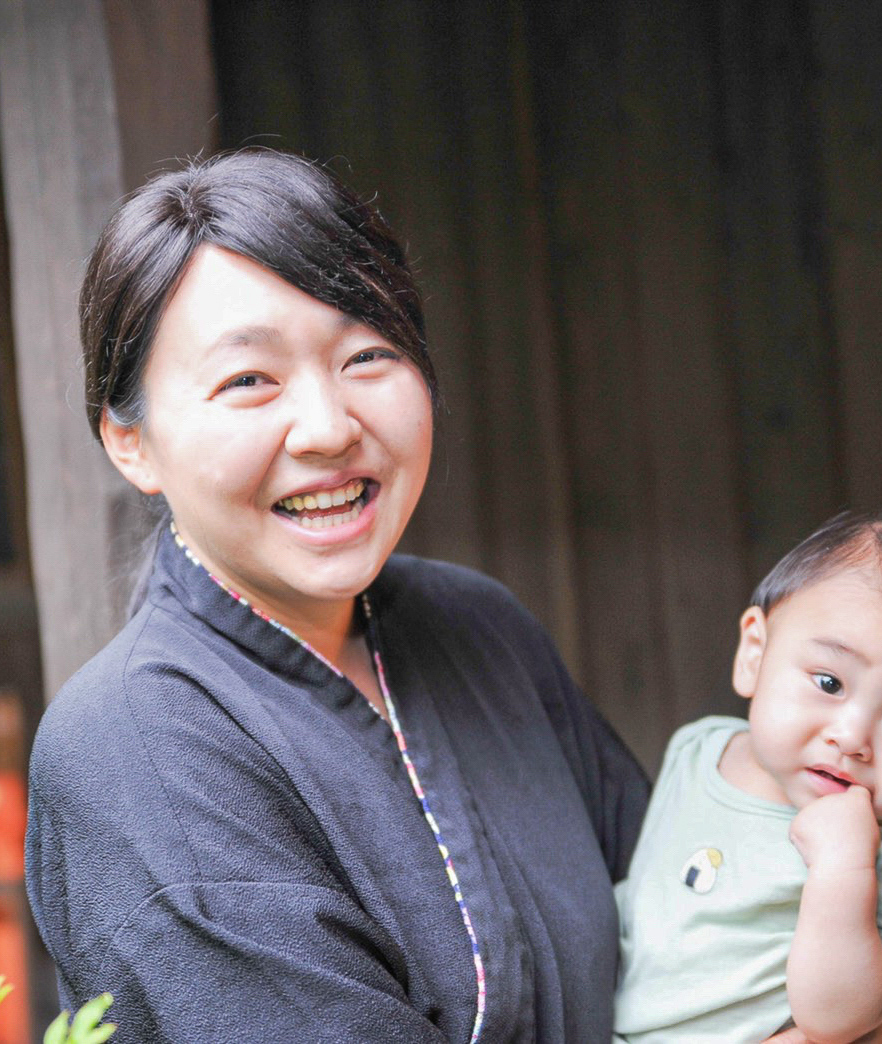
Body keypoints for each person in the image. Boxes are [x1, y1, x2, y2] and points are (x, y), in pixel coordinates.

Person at [24, 149, 652, 1042]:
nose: (327, 428)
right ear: (132, 443)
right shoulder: (131, 747)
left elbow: (700, 912)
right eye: (250, 380)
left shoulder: (480, 629)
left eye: (368, 354)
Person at [613, 508, 882, 1044]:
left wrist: (841, 868)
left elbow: (839, 1020)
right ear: (754, 655)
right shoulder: (699, 749)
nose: (852, 737)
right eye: (829, 682)